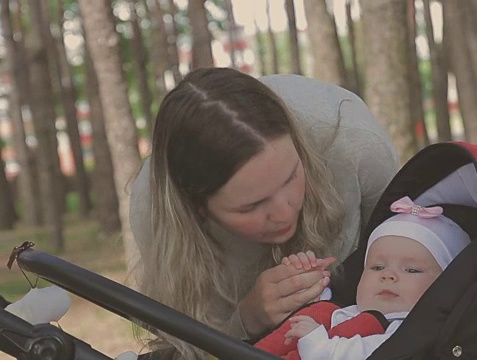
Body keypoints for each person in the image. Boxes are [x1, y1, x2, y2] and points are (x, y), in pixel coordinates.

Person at [128, 67, 399, 358]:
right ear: (197, 207)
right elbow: (187, 347)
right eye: (251, 206)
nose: (283, 213)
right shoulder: (156, 213)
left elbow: (409, 249)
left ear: (299, 145)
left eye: (291, 177)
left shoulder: (351, 140)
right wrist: (247, 319)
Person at [253, 196, 472, 359]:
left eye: (412, 270)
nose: (388, 275)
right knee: (322, 310)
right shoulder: (344, 311)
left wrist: (318, 343)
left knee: (367, 321)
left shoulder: (410, 332)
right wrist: (308, 283)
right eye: (377, 267)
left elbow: (373, 352)